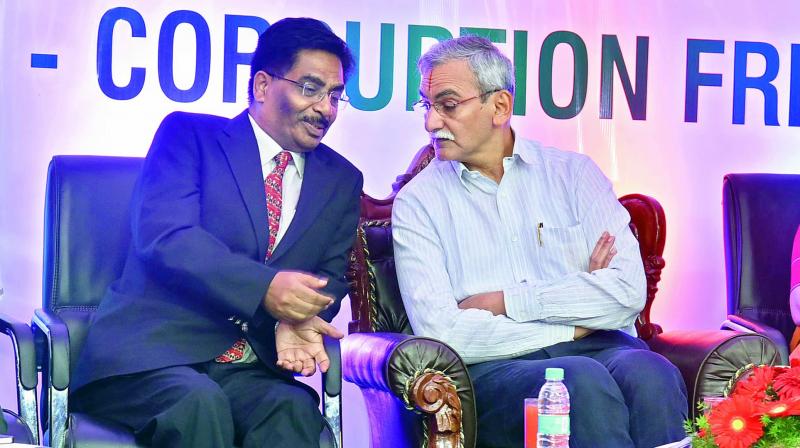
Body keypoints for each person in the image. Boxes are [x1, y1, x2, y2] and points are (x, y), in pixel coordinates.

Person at [71, 17, 362, 448]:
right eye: (311, 88)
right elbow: (166, 237)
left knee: (291, 410)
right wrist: (267, 291)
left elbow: (331, 277)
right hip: (153, 355)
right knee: (197, 404)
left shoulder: (342, 179)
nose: (326, 108)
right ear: (263, 86)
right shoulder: (189, 136)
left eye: (335, 95)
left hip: (250, 364)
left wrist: (295, 313)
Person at [392, 36, 687, 447]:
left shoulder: (574, 175)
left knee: (652, 373)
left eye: (448, 104)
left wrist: (505, 302)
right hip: (498, 368)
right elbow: (447, 333)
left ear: (499, 107)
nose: (431, 123)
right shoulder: (418, 204)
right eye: (427, 105)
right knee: (577, 383)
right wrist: (578, 318)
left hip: (606, 347)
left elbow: (626, 291)